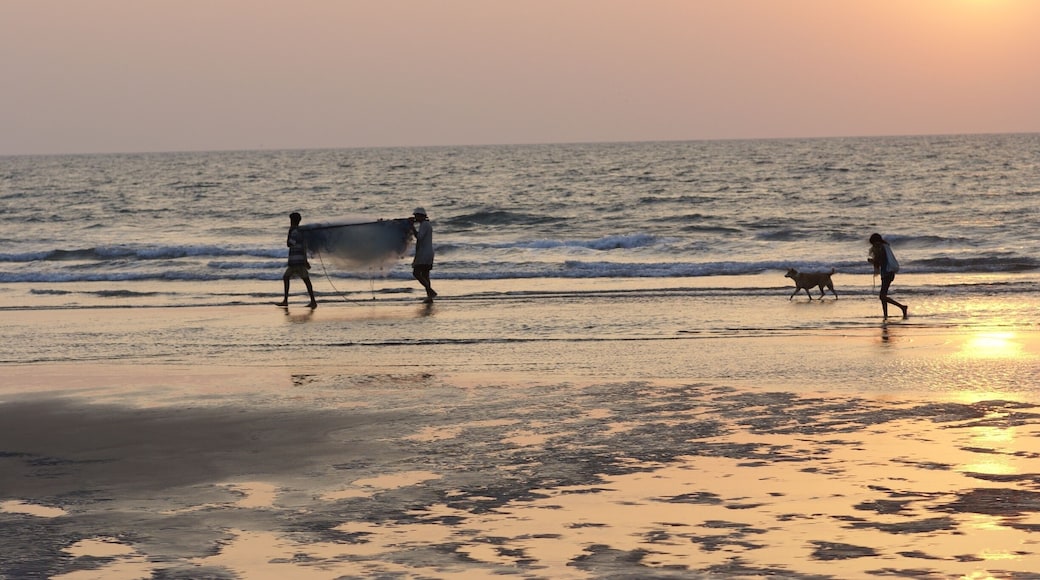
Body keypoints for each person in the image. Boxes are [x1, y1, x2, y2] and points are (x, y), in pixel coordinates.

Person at [277, 212, 317, 308]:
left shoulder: (295, 232)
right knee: (288, 278)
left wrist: (289, 233)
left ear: (292, 221)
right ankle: (286, 300)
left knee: (304, 280)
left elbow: (289, 244)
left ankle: (313, 301)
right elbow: (303, 247)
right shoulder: (300, 231)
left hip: (297, 261)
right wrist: (305, 260)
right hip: (297, 260)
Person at [868, 233, 907, 319]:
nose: (874, 245)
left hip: (887, 273)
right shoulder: (885, 247)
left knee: (882, 296)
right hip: (886, 273)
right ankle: (885, 315)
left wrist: (873, 261)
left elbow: (880, 262)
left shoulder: (881, 248)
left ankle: (902, 307)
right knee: (883, 296)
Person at [409, 207, 436, 303]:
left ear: (421, 216)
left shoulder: (424, 225)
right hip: (428, 252)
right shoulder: (426, 224)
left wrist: (412, 227)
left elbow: (419, 237)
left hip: (424, 253)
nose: (415, 218)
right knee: (425, 275)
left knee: (416, 273)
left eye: (416, 216)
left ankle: (430, 291)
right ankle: (429, 297)